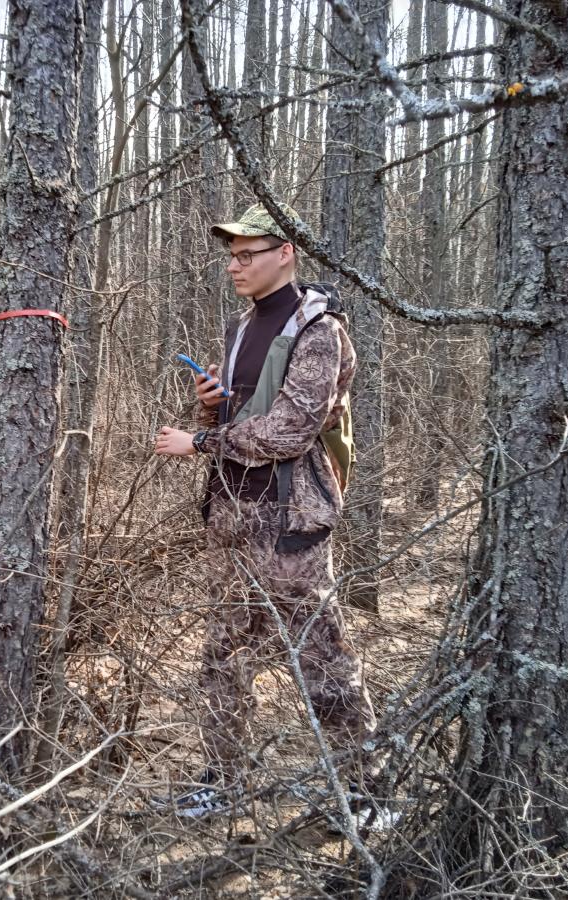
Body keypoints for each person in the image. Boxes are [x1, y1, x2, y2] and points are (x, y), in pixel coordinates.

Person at [154, 202, 376, 818]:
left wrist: (199, 441)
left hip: (289, 525)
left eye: (248, 254)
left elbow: (290, 432)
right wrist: (209, 409)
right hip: (232, 515)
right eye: (231, 255)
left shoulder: (319, 331)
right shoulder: (241, 328)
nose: (236, 265)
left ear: (286, 253)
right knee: (223, 657)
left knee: (321, 657)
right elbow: (241, 417)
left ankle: (365, 792)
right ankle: (223, 782)